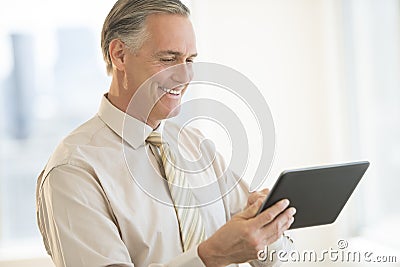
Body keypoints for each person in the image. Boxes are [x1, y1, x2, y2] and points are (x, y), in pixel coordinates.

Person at [36, 1, 296, 266]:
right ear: (120, 55)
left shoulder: (196, 146)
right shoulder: (73, 170)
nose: (184, 76)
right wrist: (209, 257)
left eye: (189, 60)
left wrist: (269, 226)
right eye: (168, 59)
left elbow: (275, 257)